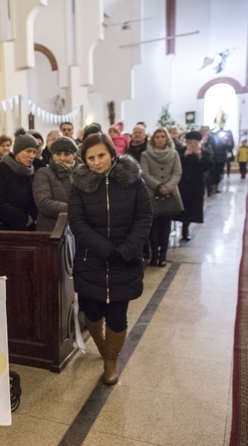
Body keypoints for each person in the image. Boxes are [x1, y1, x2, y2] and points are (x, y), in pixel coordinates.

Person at [68, 133, 152, 385]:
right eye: (90, 157)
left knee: (117, 315)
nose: (96, 162)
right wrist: (105, 249)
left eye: (101, 155)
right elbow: (77, 222)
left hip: (124, 261)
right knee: (91, 312)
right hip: (90, 259)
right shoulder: (80, 185)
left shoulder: (133, 182)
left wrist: (126, 250)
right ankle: (105, 348)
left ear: (112, 154)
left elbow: (144, 218)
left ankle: (110, 362)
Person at [140, 128, 183, 267]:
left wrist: (168, 187)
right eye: (157, 137)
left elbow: (177, 172)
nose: (159, 139)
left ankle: (163, 255)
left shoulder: (174, 153)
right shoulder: (145, 155)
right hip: (153, 193)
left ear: (167, 138)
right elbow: (145, 174)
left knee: (166, 226)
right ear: (153, 140)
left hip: (170, 193)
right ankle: (154, 255)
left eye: (162, 137)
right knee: (153, 227)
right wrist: (159, 186)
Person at [0, 130, 39, 231]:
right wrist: (23, 218)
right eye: (28, 151)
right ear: (17, 151)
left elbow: (32, 199)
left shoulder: (28, 172)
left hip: (23, 228)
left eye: (34, 152)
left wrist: (31, 217)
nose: (32, 156)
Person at [32, 136, 78, 231]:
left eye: (67, 154)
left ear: (74, 155)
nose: (62, 158)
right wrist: (76, 209)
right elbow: (44, 203)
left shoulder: (80, 173)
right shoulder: (44, 173)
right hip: (52, 229)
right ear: (52, 155)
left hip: (77, 229)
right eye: (58, 154)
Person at [174, 131, 212, 241]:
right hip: (182, 184)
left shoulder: (204, 153)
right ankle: (180, 227)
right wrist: (185, 155)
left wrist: (199, 156)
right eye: (189, 142)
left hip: (196, 184)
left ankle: (185, 229)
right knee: (181, 207)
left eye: (194, 142)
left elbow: (208, 166)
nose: (192, 144)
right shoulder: (180, 152)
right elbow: (176, 165)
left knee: (192, 208)